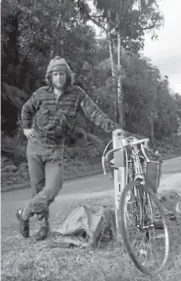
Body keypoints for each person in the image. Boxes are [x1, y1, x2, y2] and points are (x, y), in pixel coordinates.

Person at [16, 56, 119, 241]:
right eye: (55, 74)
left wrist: (113, 127)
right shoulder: (41, 93)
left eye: (62, 73)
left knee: (53, 187)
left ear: (67, 75)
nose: (58, 78)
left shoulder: (76, 94)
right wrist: (26, 127)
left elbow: (93, 112)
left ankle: (24, 213)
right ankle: (43, 227)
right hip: (36, 146)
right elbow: (26, 109)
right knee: (38, 189)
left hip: (55, 149)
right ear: (50, 76)